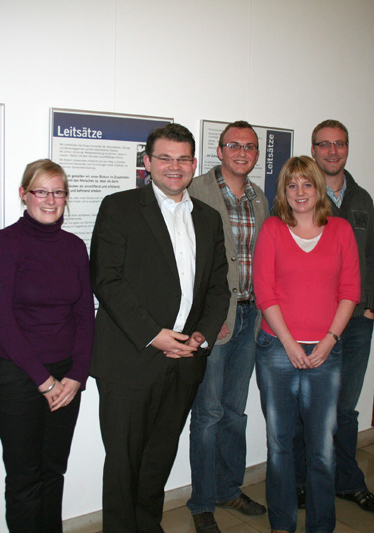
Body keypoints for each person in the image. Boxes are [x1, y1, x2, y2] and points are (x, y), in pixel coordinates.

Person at [90, 123, 230, 533]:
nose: (174, 166)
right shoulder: (119, 207)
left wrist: (200, 336)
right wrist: (155, 335)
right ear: (147, 162)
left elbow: (218, 287)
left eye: (183, 158)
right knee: (124, 463)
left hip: (185, 360)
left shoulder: (207, 218)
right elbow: (106, 279)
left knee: (158, 459)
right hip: (130, 361)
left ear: (194, 163)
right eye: (165, 157)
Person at [253, 156, 360, 533]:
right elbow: (264, 292)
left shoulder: (341, 230)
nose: (300, 192)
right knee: (280, 445)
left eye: (307, 184)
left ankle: (321, 526)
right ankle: (281, 525)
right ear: (283, 192)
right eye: (292, 185)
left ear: (319, 189)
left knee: (322, 449)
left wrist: (329, 341)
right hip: (277, 350)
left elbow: (350, 291)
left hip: (326, 353)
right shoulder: (272, 229)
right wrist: (289, 343)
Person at [0, 159, 95, 532]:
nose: (50, 200)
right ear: (24, 194)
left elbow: (85, 316)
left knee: (53, 470)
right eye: (41, 191)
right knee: (24, 476)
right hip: (17, 376)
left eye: (58, 192)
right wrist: (44, 381)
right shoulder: (5, 243)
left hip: (66, 377)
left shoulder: (74, 246)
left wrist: (77, 376)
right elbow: (0, 319)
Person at [293, 120, 374, 514]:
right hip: (315, 322)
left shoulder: (361, 198)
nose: (332, 151)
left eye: (340, 144)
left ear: (347, 148)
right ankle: (301, 483)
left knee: (345, 408)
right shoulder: (302, 196)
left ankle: (347, 482)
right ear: (313, 149)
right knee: (308, 407)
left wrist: (371, 304)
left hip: (356, 322)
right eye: (324, 144)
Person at [186, 121, 269, 532]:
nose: (242, 152)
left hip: (250, 318)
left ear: (256, 154)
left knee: (235, 411)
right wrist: (208, 316)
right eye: (233, 145)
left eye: (249, 146)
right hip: (216, 318)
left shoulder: (260, 199)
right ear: (219, 151)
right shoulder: (195, 190)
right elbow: (187, 260)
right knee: (208, 413)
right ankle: (202, 501)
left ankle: (228, 488)